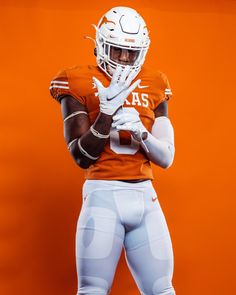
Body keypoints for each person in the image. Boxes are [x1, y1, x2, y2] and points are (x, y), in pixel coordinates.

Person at [49, 6, 176, 295]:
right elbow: (82, 157)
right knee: (92, 290)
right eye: (116, 50)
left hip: (146, 197)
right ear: (101, 45)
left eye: (131, 52)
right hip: (102, 196)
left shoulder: (155, 81)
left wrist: (142, 133)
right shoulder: (77, 79)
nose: (123, 59)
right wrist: (105, 114)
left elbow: (166, 158)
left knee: (162, 290)